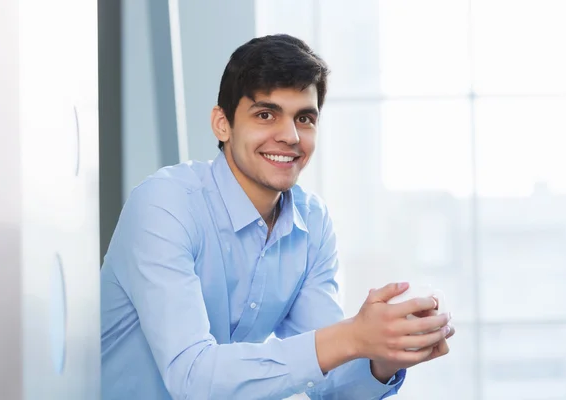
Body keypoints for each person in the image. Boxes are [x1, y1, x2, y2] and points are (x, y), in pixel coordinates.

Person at [100, 34, 455, 400]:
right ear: (222, 124)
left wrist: (383, 355)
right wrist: (351, 336)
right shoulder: (165, 204)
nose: (290, 136)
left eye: (304, 118)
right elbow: (193, 377)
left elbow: (332, 386)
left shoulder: (311, 223)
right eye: (266, 115)